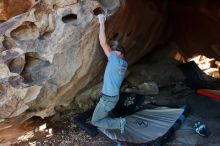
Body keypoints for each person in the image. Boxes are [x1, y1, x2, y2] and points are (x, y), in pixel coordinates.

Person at [91, 14, 128, 134]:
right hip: (112, 97)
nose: (111, 51)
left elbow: (103, 42)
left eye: (114, 50)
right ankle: (110, 117)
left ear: (119, 54)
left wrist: (102, 21)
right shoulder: (123, 63)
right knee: (102, 112)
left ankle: (119, 123)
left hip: (108, 99)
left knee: (95, 121)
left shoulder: (115, 59)